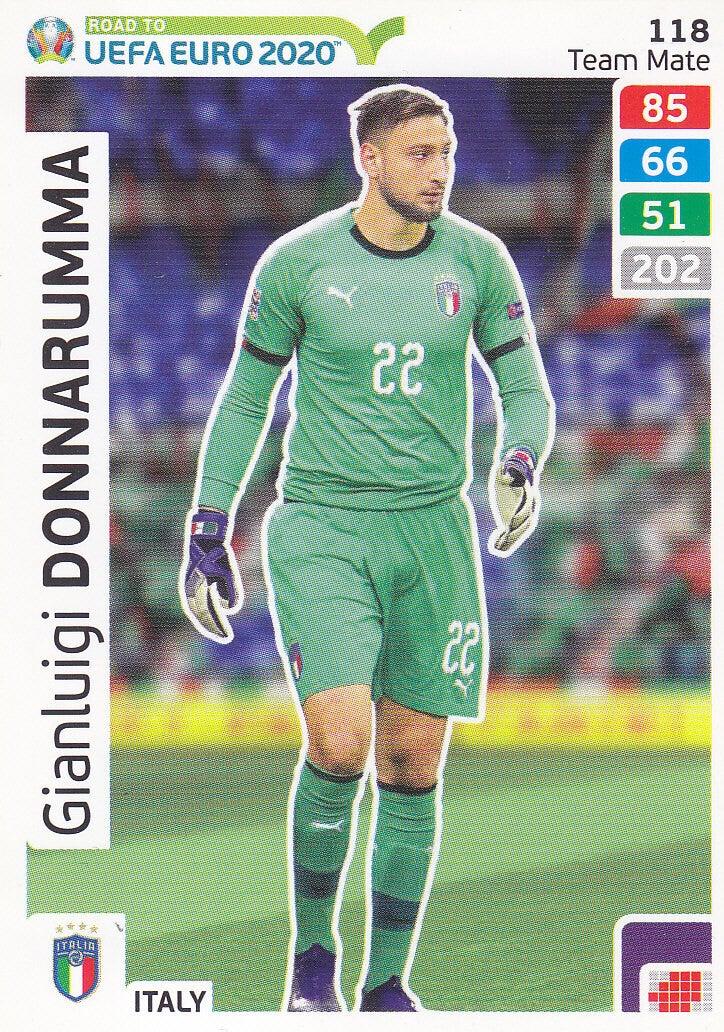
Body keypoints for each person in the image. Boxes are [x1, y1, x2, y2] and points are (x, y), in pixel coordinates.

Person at [181, 84, 554, 1012]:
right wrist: (208, 523)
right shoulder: (298, 264)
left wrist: (518, 460)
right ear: (371, 159)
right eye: (421, 153)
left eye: (447, 152)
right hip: (324, 526)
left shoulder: (478, 259)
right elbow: (246, 399)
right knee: (342, 745)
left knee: (413, 767)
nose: (440, 171)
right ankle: (313, 965)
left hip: (434, 532)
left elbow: (525, 390)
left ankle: (387, 983)